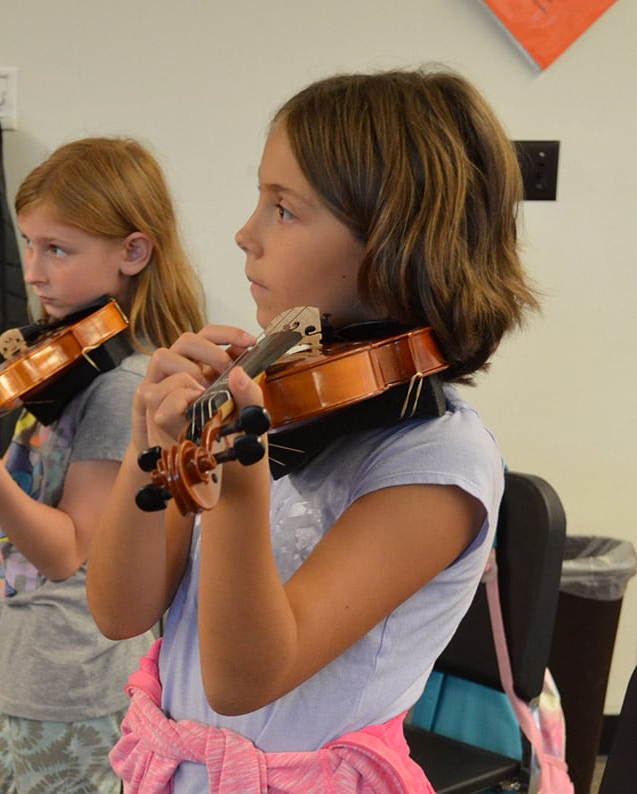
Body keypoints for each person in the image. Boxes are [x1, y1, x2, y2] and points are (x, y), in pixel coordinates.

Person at [86, 67, 540, 792]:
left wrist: (238, 490)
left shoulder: (437, 462)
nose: (245, 234)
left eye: (285, 210)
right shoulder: (281, 394)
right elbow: (119, 611)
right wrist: (151, 445)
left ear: (395, 243)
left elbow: (245, 679)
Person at [0, 136, 205, 793]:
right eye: (29, 244)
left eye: (58, 249)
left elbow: (66, 552)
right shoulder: (59, 369)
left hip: (80, 692)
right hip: (22, 675)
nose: (33, 271)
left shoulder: (120, 390)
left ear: (133, 251)